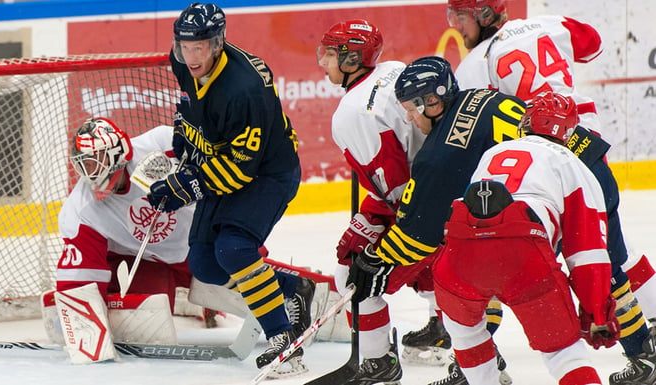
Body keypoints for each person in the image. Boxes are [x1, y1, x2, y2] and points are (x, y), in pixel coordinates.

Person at [447, 1, 656, 382]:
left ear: (482, 15)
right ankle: (644, 347)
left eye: (460, 17)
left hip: (541, 160)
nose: (456, 27)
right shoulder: (550, 22)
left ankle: (474, 363)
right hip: (588, 147)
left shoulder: (478, 60)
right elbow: (593, 45)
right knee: (611, 255)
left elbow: (475, 123)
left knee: (499, 254)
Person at [151, 2, 314, 376]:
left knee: (234, 248)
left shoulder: (244, 90)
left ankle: (283, 341)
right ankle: (292, 289)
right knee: (205, 263)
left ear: (218, 43)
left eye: (199, 48)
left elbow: (242, 169)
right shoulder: (183, 62)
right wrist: (185, 136)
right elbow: (190, 103)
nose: (189, 56)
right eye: (183, 46)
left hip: (268, 174)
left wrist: (187, 185)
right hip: (227, 164)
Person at [347, 55, 521, 384]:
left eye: (412, 109)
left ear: (433, 100)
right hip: (572, 173)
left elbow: (418, 235)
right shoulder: (477, 95)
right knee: (610, 268)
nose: (410, 119)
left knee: (456, 276)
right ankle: (484, 365)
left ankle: (475, 369)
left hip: (529, 218)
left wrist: (376, 261)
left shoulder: (437, 156)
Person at [432, 91, 620, 385]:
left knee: (465, 332)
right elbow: (587, 250)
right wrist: (596, 308)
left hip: (459, 250)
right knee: (564, 353)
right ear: (568, 132)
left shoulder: (493, 153)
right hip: (522, 254)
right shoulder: (571, 164)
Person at [315, 19, 439, 383]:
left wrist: (374, 220)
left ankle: (378, 361)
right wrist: (371, 215)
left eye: (330, 54)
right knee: (447, 276)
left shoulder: (353, 114)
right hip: (441, 186)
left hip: (422, 204)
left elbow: (396, 189)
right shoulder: (392, 69)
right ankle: (447, 328)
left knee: (355, 276)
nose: (322, 62)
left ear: (351, 60)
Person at [51, 118, 197, 363]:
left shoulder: (162, 143)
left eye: (98, 160)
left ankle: (213, 303)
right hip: (144, 261)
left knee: (241, 267)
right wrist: (84, 332)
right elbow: (79, 285)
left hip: (200, 241)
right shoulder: (80, 212)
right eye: (86, 164)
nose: (92, 172)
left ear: (119, 153)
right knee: (145, 334)